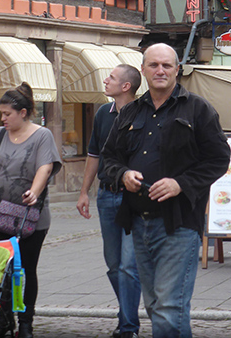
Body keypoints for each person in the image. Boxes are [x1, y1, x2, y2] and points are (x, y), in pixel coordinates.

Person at [102, 43, 230, 338]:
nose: (160, 70)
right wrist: (123, 175)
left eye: (167, 65)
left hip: (179, 223)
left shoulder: (197, 109)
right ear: (144, 70)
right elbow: (109, 158)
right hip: (138, 222)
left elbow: (219, 159)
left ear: (177, 70)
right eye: (154, 65)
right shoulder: (130, 112)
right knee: (156, 305)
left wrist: (180, 183)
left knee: (169, 307)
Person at [0, 82, 62, 338]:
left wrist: (34, 190)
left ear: (23, 112)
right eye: (1, 114)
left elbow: (45, 166)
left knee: (25, 269)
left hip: (30, 216)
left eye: (7, 114)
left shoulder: (42, 135)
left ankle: (25, 322)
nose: (3, 118)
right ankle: (3, 319)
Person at [77, 64, 143, 338]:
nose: (106, 81)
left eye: (112, 78)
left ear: (126, 86)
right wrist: (84, 192)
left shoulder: (144, 114)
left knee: (129, 266)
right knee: (114, 265)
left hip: (133, 198)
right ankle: (126, 312)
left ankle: (128, 326)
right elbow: (94, 154)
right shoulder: (104, 113)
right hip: (106, 195)